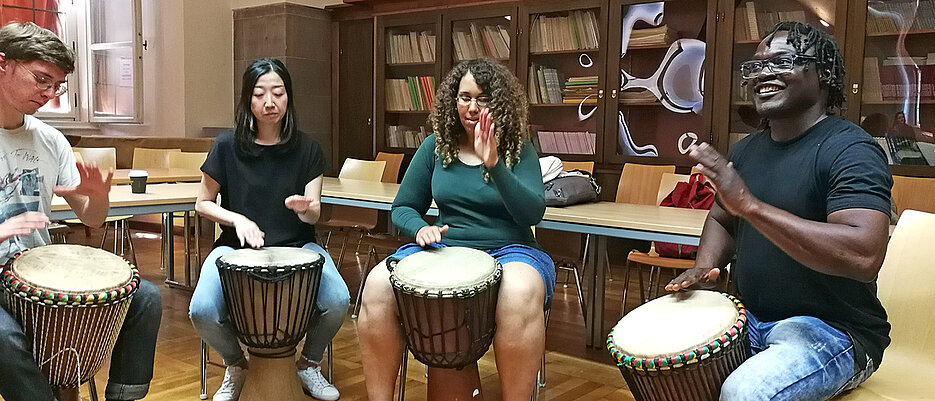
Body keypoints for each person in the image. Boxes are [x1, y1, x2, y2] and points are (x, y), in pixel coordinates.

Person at [666, 21, 892, 401]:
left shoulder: (852, 150)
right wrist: (704, 267)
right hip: (747, 317)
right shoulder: (746, 152)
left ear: (822, 72)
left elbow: (863, 254)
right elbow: (723, 217)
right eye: (754, 66)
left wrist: (752, 207)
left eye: (781, 61)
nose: (762, 74)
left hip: (833, 331)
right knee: (669, 360)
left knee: (745, 392)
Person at [357, 57, 554, 401]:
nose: (472, 107)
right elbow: (403, 207)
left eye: (483, 98)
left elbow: (532, 213)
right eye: (464, 97)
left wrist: (494, 164)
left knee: (519, 293)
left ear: (500, 103)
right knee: (375, 287)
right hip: (446, 249)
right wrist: (420, 229)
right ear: (453, 100)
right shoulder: (436, 147)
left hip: (511, 249)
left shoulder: (517, 149)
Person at [0, 22, 162, 401]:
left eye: (57, 85)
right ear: (3, 64)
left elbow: (90, 218)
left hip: (34, 270)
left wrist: (98, 196)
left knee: (146, 298)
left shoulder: (50, 139)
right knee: (4, 339)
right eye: (42, 79)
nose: (49, 93)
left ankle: (123, 396)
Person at [189, 57, 349, 401]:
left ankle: (308, 364)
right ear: (248, 98)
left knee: (338, 300)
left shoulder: (308, 149)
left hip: (299, 246)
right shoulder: (226, 145)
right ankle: (235, 364)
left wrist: (307, 210)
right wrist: (238, 219)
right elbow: (202, 203)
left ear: (288, 97)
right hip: (233, 247)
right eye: (260, 93)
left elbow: (314, 214)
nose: (269, 101)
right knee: (201, 310)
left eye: (278, 92)